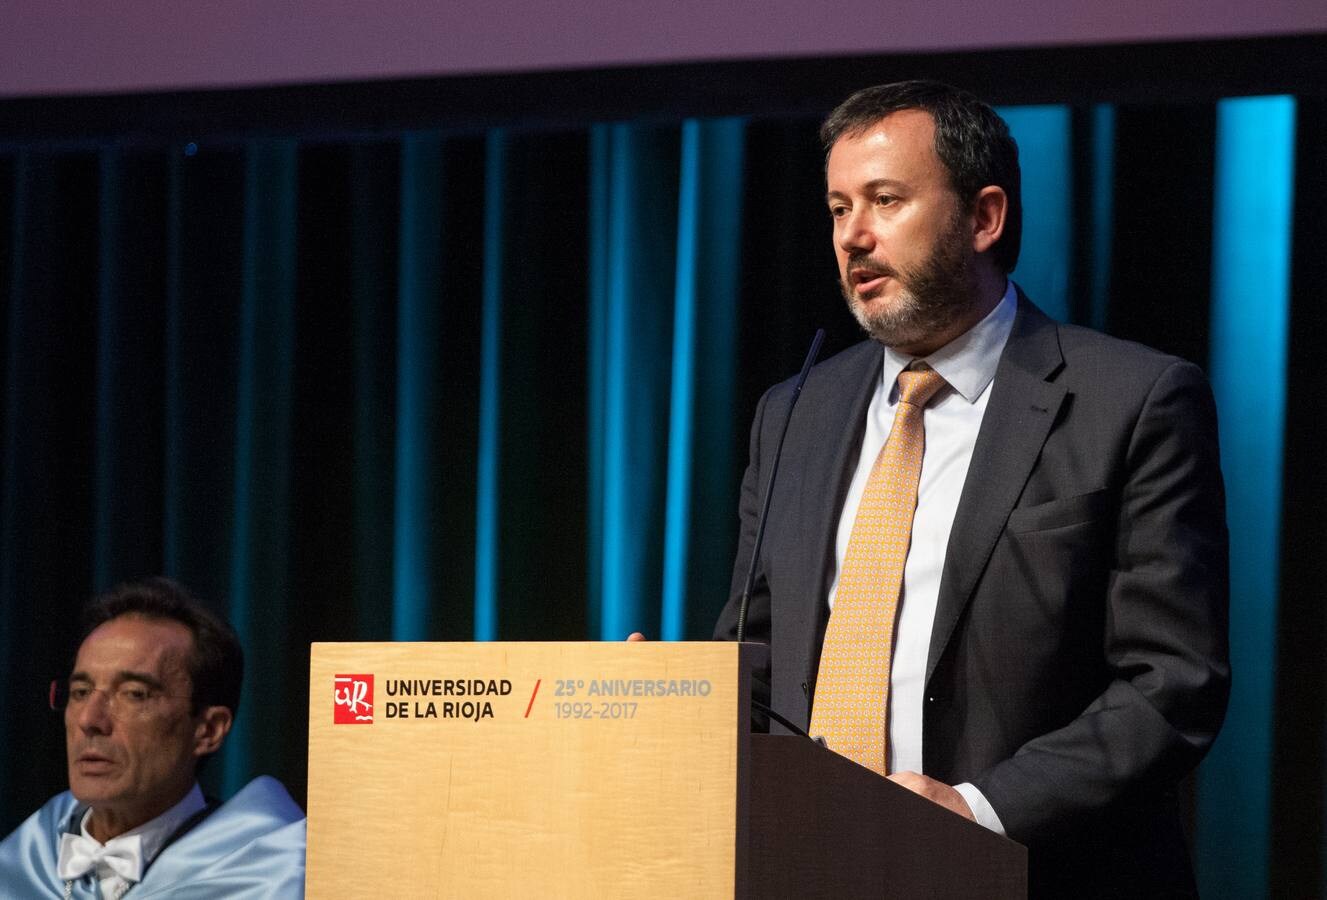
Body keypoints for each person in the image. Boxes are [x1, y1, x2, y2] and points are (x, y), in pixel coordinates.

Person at [712, 80, 1229, 896]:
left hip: (1039, 872)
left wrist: (976, 809)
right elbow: (763, 657)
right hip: (816, 868)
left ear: (984, 218)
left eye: (885, 200)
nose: (853, 236)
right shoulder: (794, 410)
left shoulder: (1129, 401)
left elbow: (1171, 686)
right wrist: (683, 698)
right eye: (839, 208)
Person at [0, 577, 306, 898]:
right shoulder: (25, 859)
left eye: (134, 694)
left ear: (209, 729)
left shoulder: (267, 873)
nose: (90, 720)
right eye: (80, 692)